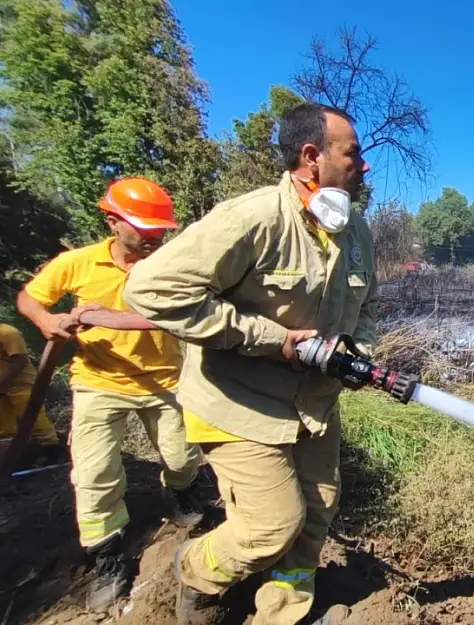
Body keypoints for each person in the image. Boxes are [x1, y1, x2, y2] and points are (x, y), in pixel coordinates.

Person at [122, 102, 377, 625]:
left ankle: (283, 613)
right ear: (312, 157)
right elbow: (150, 290)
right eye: (353, 153)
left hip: (314, 406)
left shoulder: (356, 232)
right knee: (271, 526)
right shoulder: (253, 218)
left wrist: (357, 353)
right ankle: (195, 570)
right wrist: (269, 338)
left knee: (317, 511)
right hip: (236, 404)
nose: (364, 165)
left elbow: (367, 305)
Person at [15, 177, 204, 612]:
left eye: (160, 231)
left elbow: (185, 313)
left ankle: (179, 492)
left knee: (181, 457)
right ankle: (107, 553)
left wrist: (106, 316)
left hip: (164, 380)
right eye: (145, 230)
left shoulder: (169, 262)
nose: (154, 239)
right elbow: (29, 298)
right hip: (99, 381)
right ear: (114, 221)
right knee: (95, 473)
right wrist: (46, 320)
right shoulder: (77, 263)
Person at [0, 321, 62, 468]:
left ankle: (52, 453)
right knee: (4, 426)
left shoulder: (8, 334)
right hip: (2, 388)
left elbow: (19, 361)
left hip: (21, 384)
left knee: (35, 419)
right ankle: (13, 458)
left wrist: (3, 384)